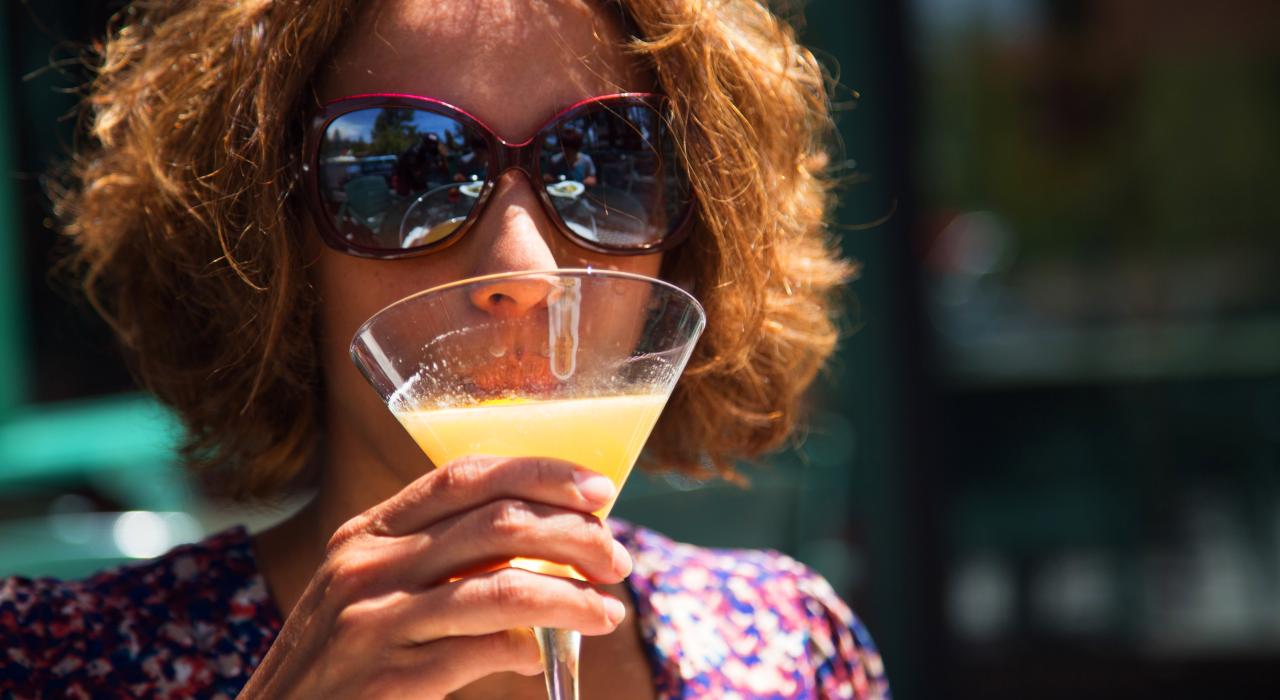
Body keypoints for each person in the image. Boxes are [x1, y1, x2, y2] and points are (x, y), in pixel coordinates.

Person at [0, 0, 890, 698]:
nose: (523, 270)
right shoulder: (50, 667)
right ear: (271, 238)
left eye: (607, 163)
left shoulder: (789, 649)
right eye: (408, 174)